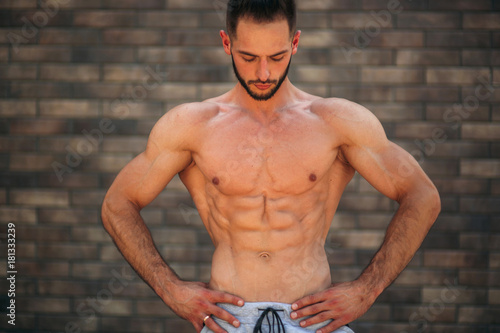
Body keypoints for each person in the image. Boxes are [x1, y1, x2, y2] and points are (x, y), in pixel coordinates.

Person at [101, 0, 441, 332]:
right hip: (229, 321)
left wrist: (367, 290)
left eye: (276, 57)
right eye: (248, 57)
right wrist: (170, 289)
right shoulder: (192, 125)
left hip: (314, 321)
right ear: (226, 43)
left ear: (295, 44)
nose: (263, 73)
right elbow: (117, 205)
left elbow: (422, 196)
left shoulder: (336, 121)